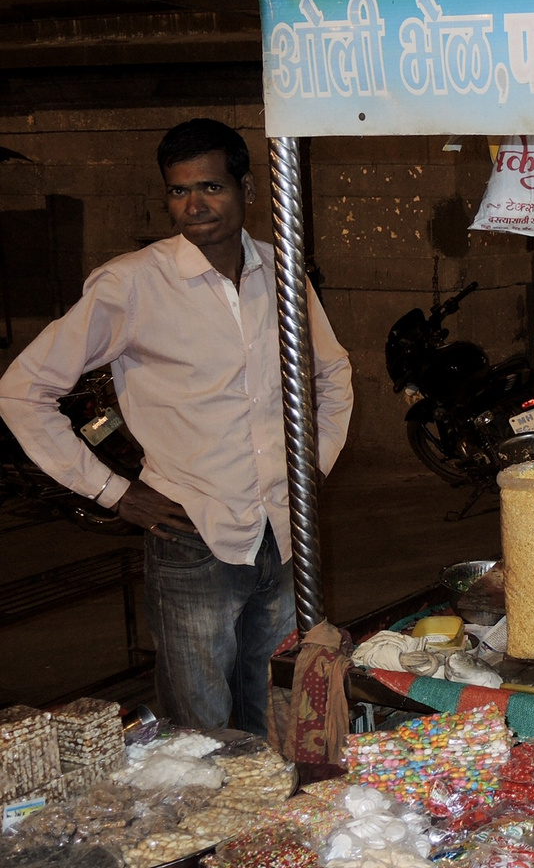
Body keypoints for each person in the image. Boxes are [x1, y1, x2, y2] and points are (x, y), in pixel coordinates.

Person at [0, 119, 353, 732]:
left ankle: (266, 828)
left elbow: (332, 373)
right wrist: (113, 491)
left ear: (246, 187)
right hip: (191, 537)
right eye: (178, 191)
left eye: (211, 187)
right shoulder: (132, 284)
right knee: (200, 730)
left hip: (283, 532)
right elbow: (22, 390)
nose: (194, 205)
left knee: (277, 710)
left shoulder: (280, 272)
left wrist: (310, 468)